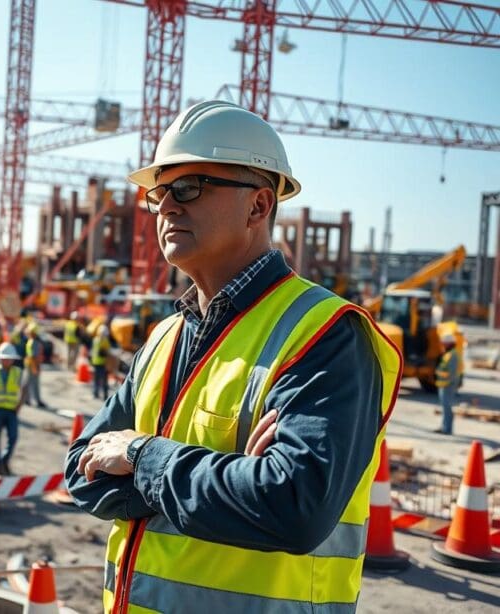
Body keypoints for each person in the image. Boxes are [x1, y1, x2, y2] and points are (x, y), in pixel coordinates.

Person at [63, 100, 402, 613]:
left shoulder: (325, 336)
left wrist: (142, 457)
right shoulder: (163, 338)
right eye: (159, 194)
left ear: (259, 205)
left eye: (190, 187)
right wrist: (228, 481)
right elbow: (80, 471)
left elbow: (292, 508)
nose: (168, 206)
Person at [0, 342, 25, 475]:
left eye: (9, 358)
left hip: (11, 411)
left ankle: (3, 460)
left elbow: (24, 389)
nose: (7, 360)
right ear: (0, 358)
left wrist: (19, 405)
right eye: (4, 358)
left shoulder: (17, 372)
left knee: (13, 437)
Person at [434, 333, 459, 435]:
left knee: (447, 407)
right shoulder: (448, 353)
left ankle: (447, 429)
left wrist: (440, 374)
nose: (443, 345)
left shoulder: (452, 355)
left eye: (444, 343)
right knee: (445, 407)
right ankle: (444, 427)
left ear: (449, 343)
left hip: (448, 384)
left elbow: (451, 372)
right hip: (444, 384)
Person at [24, 324, 48, 409]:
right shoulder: (34, 342)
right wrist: (35, 367)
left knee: (29, 382)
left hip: (31, 364)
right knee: (33, 382)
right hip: (32, 364)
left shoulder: (32, 341)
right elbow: (33, 356)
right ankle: (34, 400)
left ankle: (28, 399)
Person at [91, 323, 111, 400]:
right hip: (103, 363)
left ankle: (95, 393)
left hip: (95, 362)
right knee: (104, 380)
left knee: (96, 379)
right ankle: (105, 395)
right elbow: (107, 352)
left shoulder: (95, 340)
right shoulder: (105, 341)